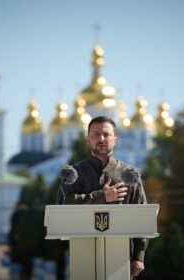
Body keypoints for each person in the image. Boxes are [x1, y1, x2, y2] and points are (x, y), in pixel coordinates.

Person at [57, 115, 148, 277]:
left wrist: (138, 256)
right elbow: (64, 204)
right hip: (82, 255)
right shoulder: (73, 173)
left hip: (120, 257)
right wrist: (101, 197)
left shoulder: (129, 174)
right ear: (88, 139)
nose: (101, 138)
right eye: (95, 134)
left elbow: (141, 216)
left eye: (106, 134)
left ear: (115, 139)